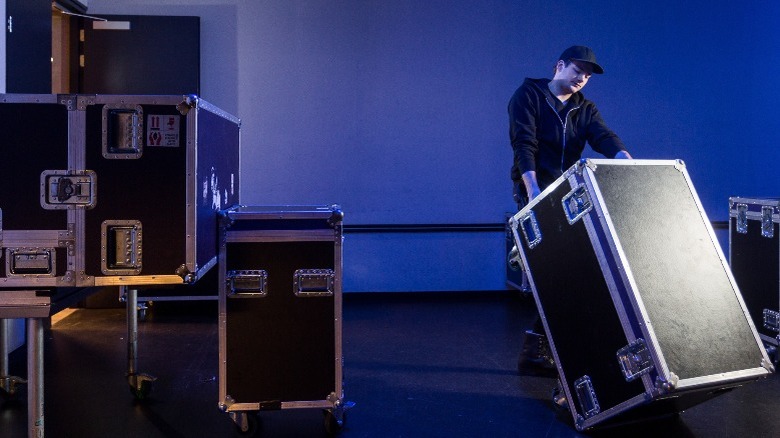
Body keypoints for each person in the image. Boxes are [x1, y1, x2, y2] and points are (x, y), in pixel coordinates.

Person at [507, 45, 632, 377]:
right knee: (553, 272)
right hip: (535, 192)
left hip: (568, 195)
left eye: (588, 75)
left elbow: (603, 136)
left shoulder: (584, 108)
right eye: (578, 70)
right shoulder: (529, 95)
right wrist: (533, 194)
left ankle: (537, 348)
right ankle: (534, 351)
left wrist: (623, 159)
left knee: (571, 272)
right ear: (559, 66)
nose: (582, 78)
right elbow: (524, 143)